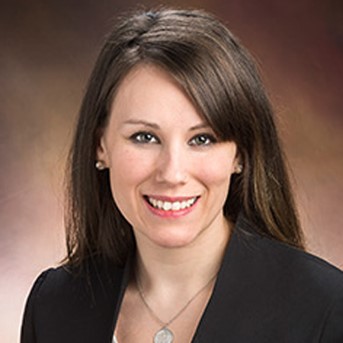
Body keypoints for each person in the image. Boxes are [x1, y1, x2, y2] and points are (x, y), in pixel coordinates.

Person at [21, 7, 343, 343]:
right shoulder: (53, 305)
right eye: (144, 137)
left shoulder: (326, 310)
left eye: (202, 139)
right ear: (100, 145)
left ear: (241, 154)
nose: (172, 173)